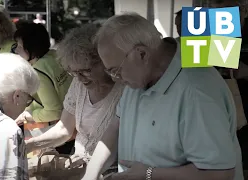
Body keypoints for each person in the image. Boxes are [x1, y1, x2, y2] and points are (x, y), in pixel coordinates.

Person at [82, 13, 243, 180]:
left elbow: (220, 174)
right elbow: (116, 126)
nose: (116, 79)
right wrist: (90, 175)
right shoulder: (139, 76)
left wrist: (149, 174)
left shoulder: (196, 91)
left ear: (142, 54)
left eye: (115, 70)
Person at [25, 24, 123, 179]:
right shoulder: (79, 84)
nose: (80, 78)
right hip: (76, 167)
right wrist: (29, 145)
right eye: (74, 72)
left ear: (104, 61)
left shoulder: (125, 89)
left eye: (86, 71)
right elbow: (64, 129)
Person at [14, 23, 74, 154]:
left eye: (19, 46)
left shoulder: (38, 73)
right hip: (72, 129)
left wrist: (27, 115)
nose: (16, 50)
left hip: (58, 134)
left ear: (32, 49)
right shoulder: (53, 56)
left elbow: (54, 111)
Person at [208, 0, 248, 177]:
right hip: (218, 110)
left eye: (228, 9)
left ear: (245, 9)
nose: (223, 15)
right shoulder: (209, 30)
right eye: (218, 10)